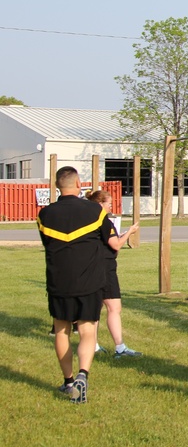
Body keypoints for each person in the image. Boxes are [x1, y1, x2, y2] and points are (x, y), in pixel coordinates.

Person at [37, 166, 117, 403]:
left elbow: (46, 243)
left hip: (59, 281)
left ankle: (68, 381)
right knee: (87, 330)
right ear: (79, 183)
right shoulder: (95, 211)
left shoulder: (45, 214)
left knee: (61, 331)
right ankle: (84, 374)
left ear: (56, 186)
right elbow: (107, 239)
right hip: (89, 282)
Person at [85, 190, 142, 358]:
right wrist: (130, 233)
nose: (111, 205)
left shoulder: (90, 222)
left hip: (92, 267)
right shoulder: (104, 222)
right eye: (108, 203)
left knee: (95, 309)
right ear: (100, 204)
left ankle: (93, 346)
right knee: (114, 308)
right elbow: (115, 245)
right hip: (105, 268)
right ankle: (120, 348)